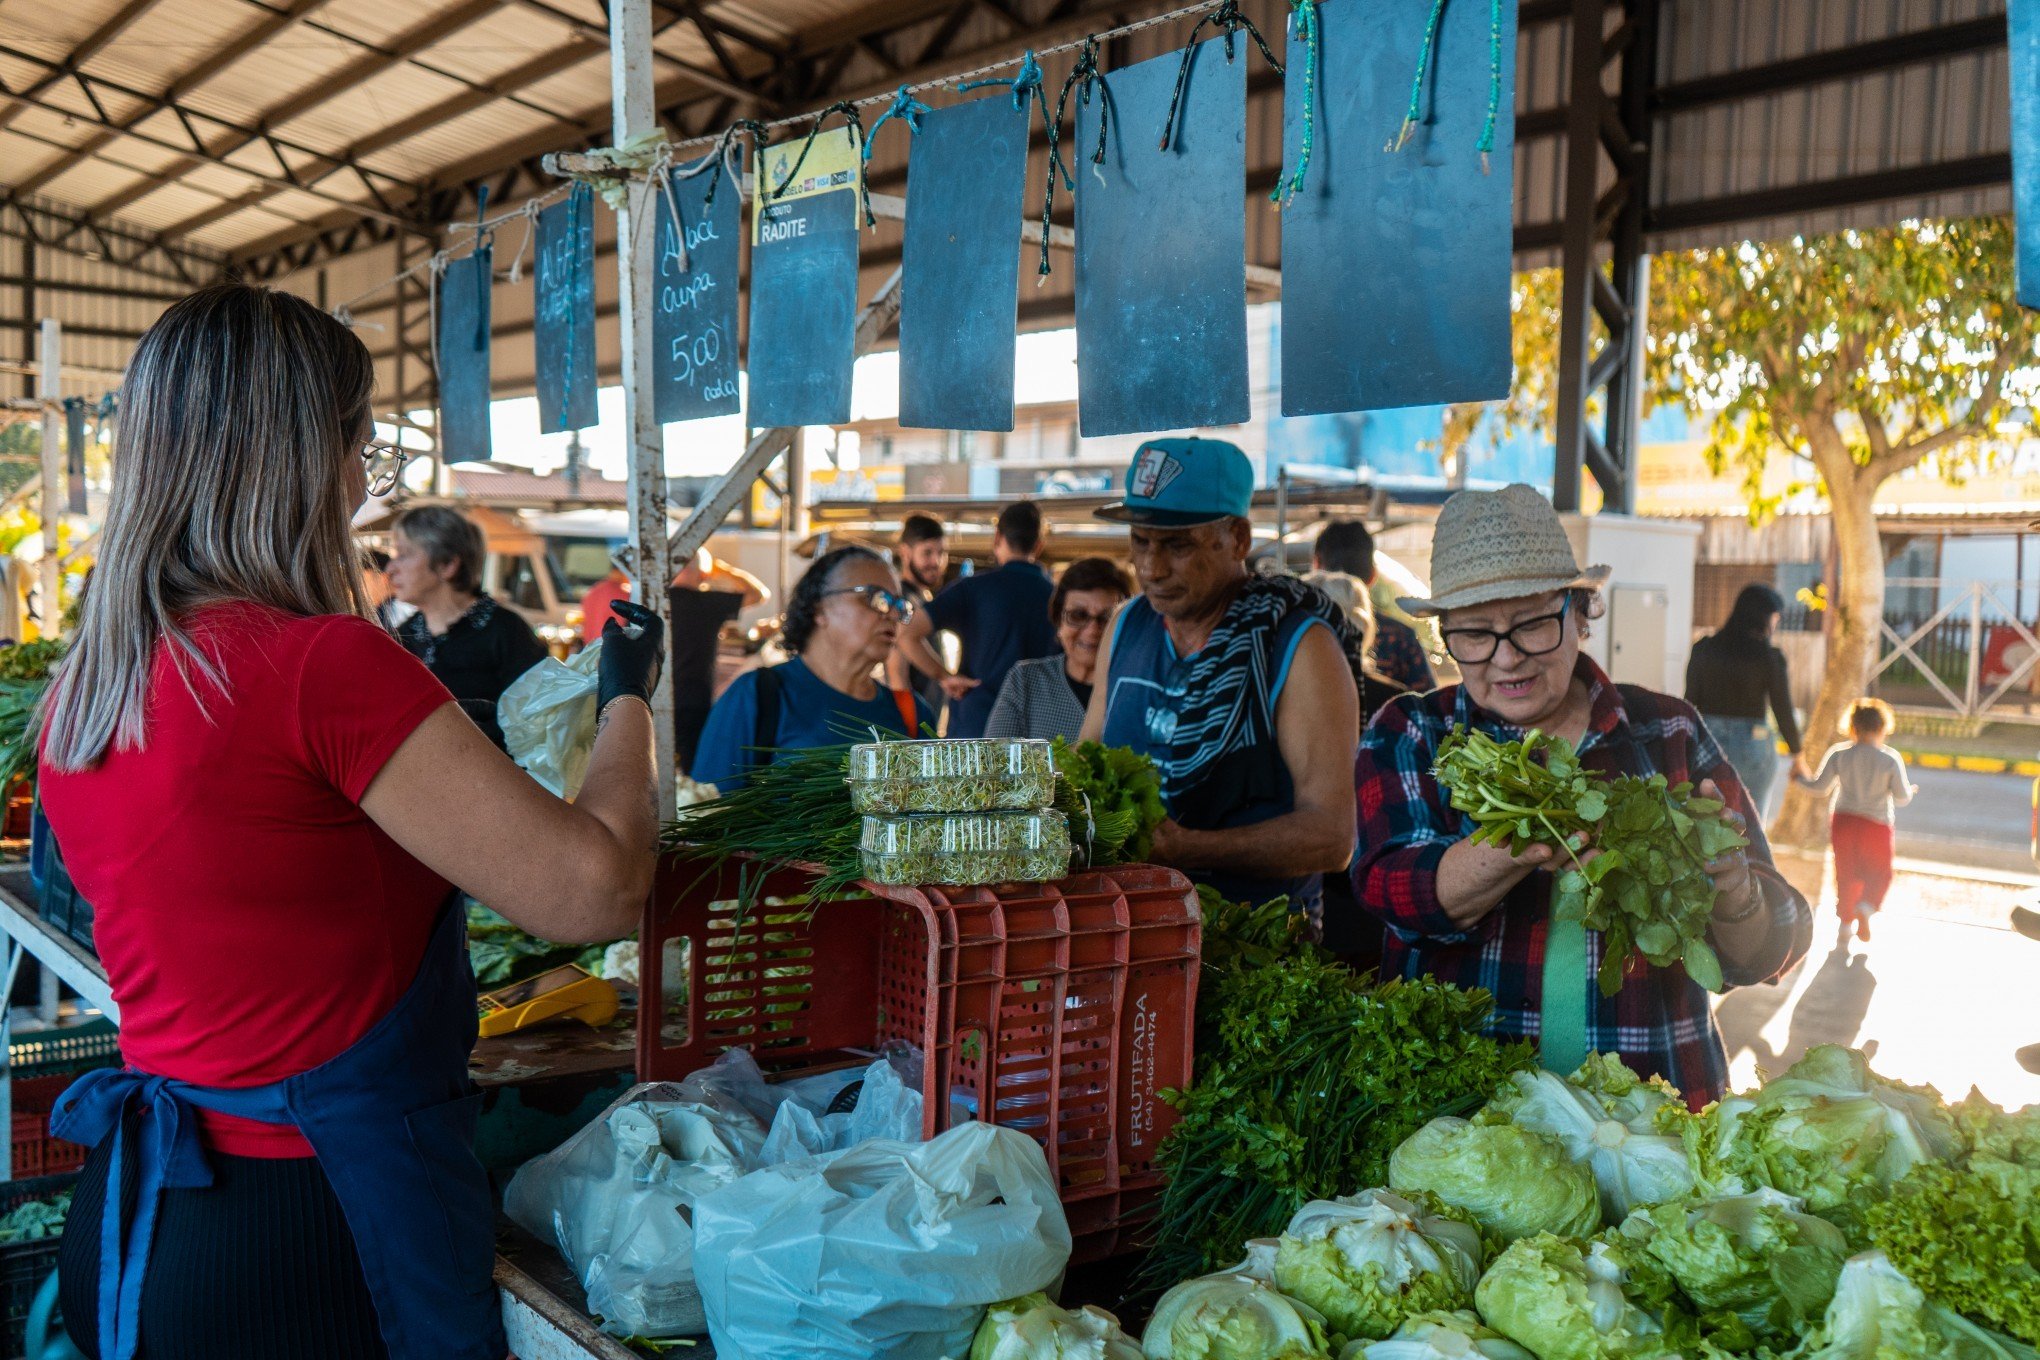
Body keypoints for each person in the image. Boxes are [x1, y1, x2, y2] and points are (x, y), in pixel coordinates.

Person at [34, 283, 666, 1360]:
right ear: (295, 457)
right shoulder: (318, 666)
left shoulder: (90, 687)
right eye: (362, 451)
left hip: (154, 1224)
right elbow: (592, 888)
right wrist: (628, 698)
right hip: (317, 1225)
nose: (363, 490)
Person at [1352, 484, 1812, 1104]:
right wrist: (1521, 842)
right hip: (1464, 1118)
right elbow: (1389, 889)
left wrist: (1735, 896)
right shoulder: (1411, 731)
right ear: (1446, 636)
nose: (1507, 658)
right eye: (1474, 634)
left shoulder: (1670, 731)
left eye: (1533, 624)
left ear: (1581, 614)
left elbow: (1771, 947)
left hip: (1659, 1114)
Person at [1080, 438, 1362, 923]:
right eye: (1140, 541)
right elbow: (1084, 760)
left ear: (1238, 539)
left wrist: (1187, 849)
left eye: (1178, 544)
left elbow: (1332, 838)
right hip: (1127, 930)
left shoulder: (1297, 646)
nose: (1151, 567)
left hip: (1256, 945)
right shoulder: (1125, 626)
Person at [691, 544, 930, 790]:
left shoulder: (913, 713)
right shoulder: (757, 696)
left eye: (900, 606)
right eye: (877, 598)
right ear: (820, 608)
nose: (892, 614)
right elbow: (708, 809)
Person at [387, 504, 548, 752]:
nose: (391, 569)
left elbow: (537, 722)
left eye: (404, 554)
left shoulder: (505, 631)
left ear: (447, 565)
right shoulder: (402, 635)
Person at [898, 501, 1057, 739]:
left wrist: (945, 677)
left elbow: (906, 633)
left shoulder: (972, 589)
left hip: (976, 728)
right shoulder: (1057, 598)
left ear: (997, 538)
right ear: (1039, 544)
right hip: (1038, 730)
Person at [1793, 698, 1914, 943]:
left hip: (1844, 821)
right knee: (1880, 873)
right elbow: (1901, 797)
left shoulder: (1839, 755)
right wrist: (1911, 790)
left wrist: (1798, 778)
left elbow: (1819, 786)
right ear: (1882, 729)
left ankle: (1845, 925)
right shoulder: (1890, 759)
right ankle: (1866, 908)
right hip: (1876, 825)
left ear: (1852, 728)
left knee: (1847, 873)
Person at [985, 557, 1134, 742]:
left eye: (1107, 618)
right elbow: (997, 760)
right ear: (1058, 621)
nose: (1092, 630)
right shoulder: (1025, 681)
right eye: (1078, 615)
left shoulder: (1135, 688)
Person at [1687, 584, 1802, 822]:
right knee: (1751, 823)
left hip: (1709, 742)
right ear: (1764, 617)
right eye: (1775, 617)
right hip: (1753, 745)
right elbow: (1782, 708)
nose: (1775, 623)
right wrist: (1797, 755)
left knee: (1707, 821)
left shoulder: (1704, 648)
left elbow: (1690, 702)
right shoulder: (1770, 657)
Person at [1314, 519, 1434, 691]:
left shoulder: (1299, 631)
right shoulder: (1400, 637)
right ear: (1373, 575)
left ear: (1316, 566)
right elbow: (1430, 705)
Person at [887, 514, 949, 717]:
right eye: (927, 553)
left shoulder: (922, 598)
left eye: (941, 553)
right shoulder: (902, 600)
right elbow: (896, 670)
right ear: (905, 552)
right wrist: (909, 730)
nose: (936, 561)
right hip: (913, 729)